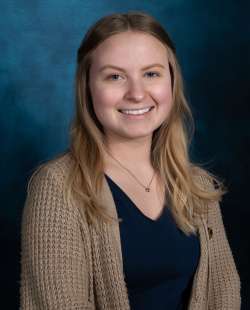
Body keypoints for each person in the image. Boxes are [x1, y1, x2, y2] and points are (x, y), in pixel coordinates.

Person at [21, 11, 241, 310]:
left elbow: (223, 291)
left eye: (151, 74)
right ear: (87, 87)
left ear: (172, 83)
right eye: (115, 76)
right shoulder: (58, 187)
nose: (137, 93)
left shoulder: (198, 185)